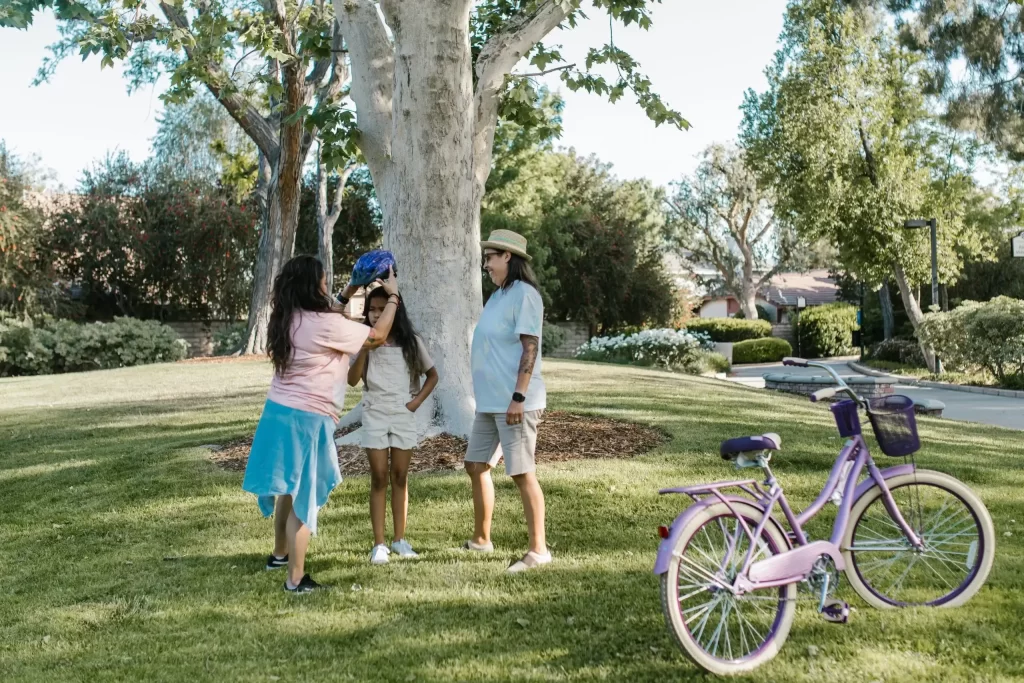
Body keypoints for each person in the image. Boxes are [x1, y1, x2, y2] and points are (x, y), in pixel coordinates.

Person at [242, 255, 400, 593]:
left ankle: (280, 555)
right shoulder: (323, 324)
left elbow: (329, 313)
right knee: (304, 497)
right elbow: (377, 335)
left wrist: (351, 290)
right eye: (325, 280)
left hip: (279, 413)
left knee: (289, 485)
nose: (328, 285)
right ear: (314, 285)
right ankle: (296, 580)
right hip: (308, 418)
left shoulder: (290, 317)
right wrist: (394, 296)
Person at [464, 229, 551, 573]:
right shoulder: (498, 296)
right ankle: (482, 539)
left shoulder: (525, 296)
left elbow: (531, 347)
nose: (486, 264)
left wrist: (518, 397)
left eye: (490, 257)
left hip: (516, 402)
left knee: (522, 473)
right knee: (476, 465)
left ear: (508, 258)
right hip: (490, 403)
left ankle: (539, 550)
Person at [348, 286, 439, 565]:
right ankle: (379, 544)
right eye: (371, 310)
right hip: (374, 410)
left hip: (402, 411)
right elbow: (352, 379)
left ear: (394, 310)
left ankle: (399, 540)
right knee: (379, 476)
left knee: (400, 476)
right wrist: (366, 345)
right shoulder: (363, 340)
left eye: (380, 309)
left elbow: (432, 376)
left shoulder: (410, 341)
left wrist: (414, 404)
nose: (375, 315)